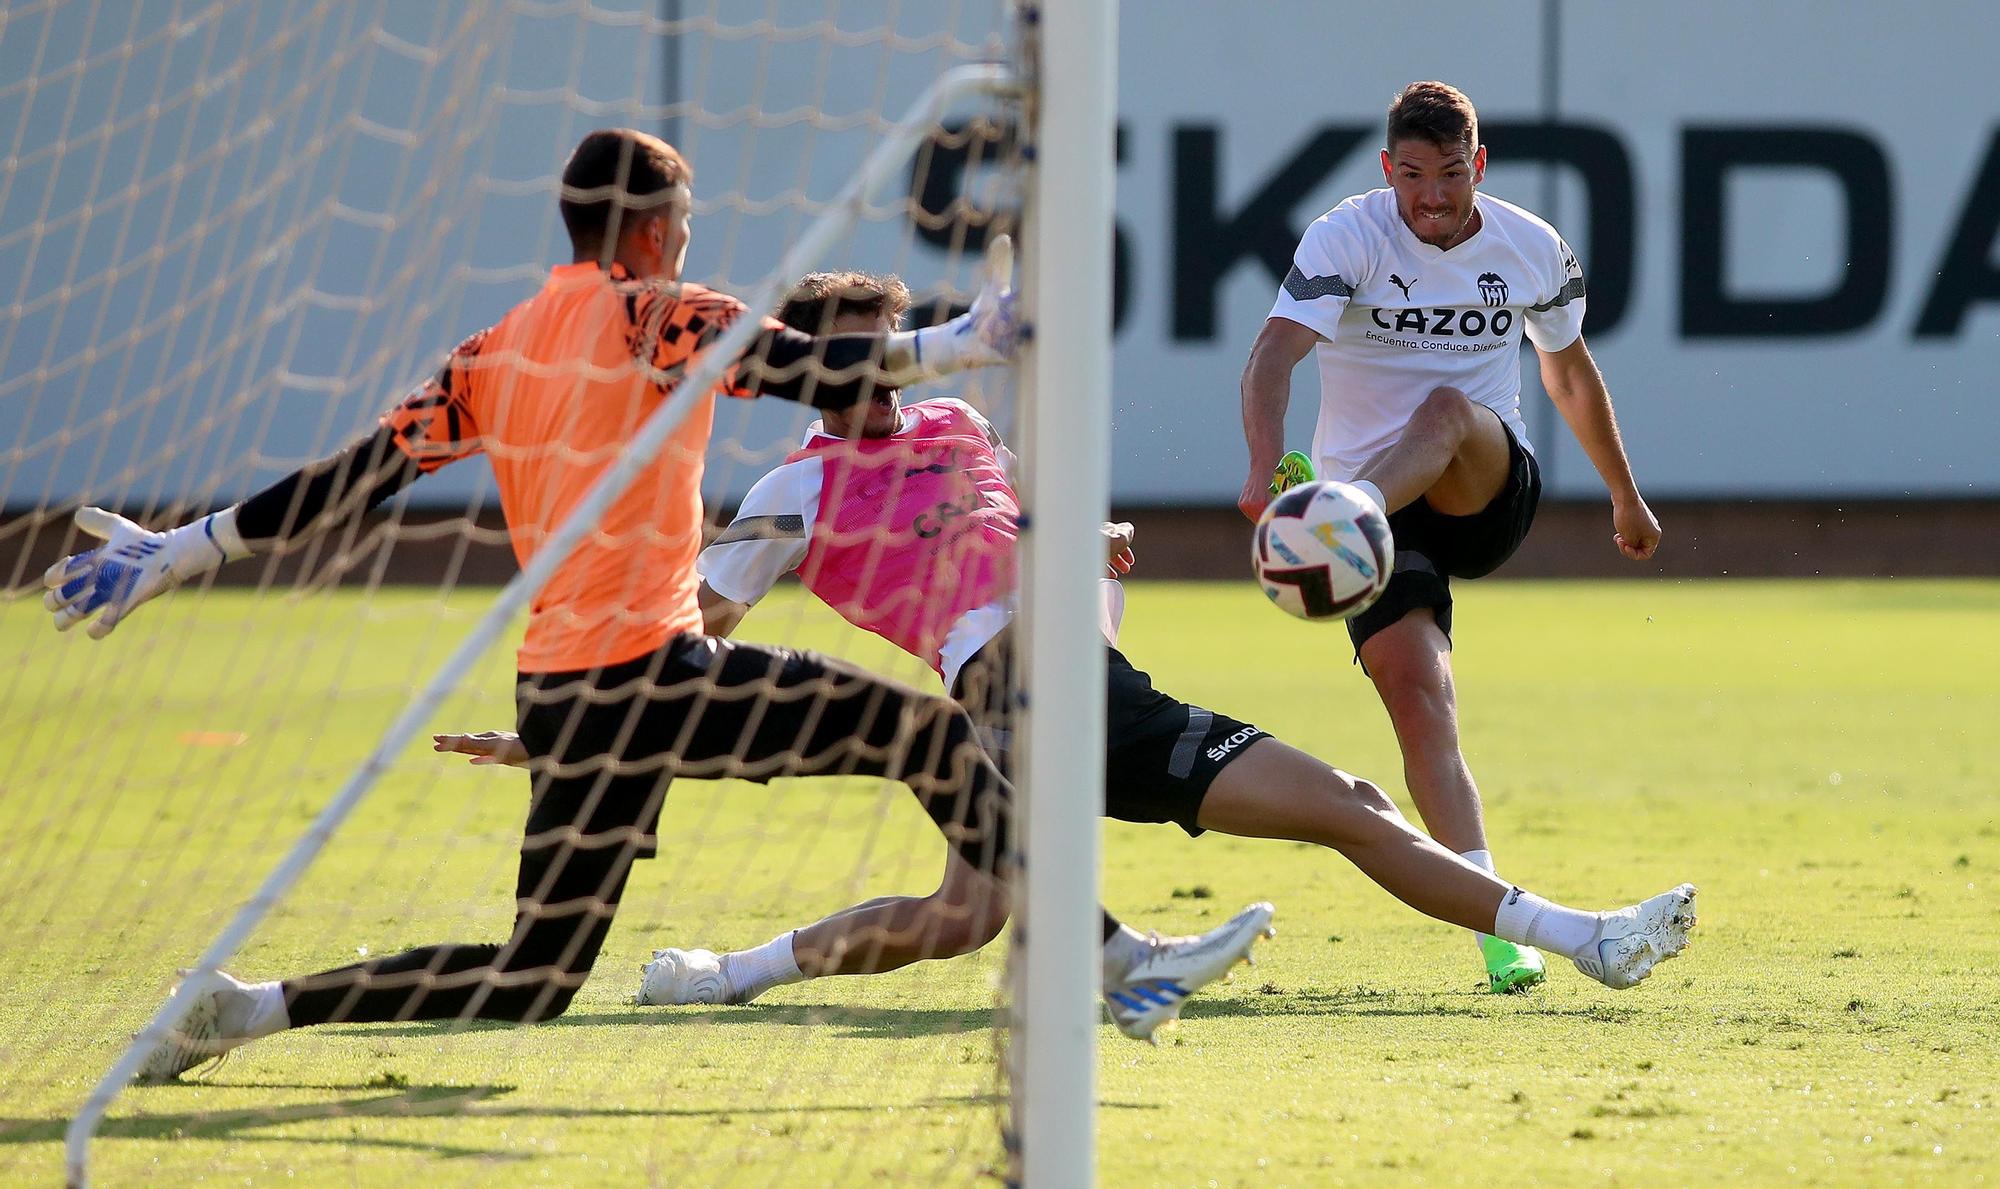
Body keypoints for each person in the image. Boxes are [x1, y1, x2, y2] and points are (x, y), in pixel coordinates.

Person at [39, 129, 1262, 1081]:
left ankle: (248, 1008)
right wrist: (955, 340)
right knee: (929, 736)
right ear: (645, 228)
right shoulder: (651, 312)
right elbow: (801, 367)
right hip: (655, 674)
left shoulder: (493, 350)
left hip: (564, 693)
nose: (686, 243)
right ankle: (1119, 965)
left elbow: (350, 479)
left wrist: (181, 549)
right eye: (680, 225)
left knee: (533, 974)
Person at [438, 270, 1695, 1013]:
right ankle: (1126, 966)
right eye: (851, 367)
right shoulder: (792, 494)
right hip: (994, 708)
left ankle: (725, 973)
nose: (875, 384)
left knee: (985, 906)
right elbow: (686, 635)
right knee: (977, 912)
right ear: (814, 378)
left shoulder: (955, 423)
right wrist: (569, 721)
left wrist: (1082, 546)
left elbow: (1023, 530)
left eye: (881, 361)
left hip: (1092, 687)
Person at [1237, 81, 1665, 993]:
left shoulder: (1531, 246)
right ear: (1388, 169)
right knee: (1418, 698)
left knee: (1444, 406)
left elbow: (1570, 377)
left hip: (1479, 486)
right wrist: (1262, 466)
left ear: (1480, 166)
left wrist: (1625, 497)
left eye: (1451, 175)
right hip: (1376, 529)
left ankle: (1345, 511)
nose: (1433, 196)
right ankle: (1497, 930)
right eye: (1414, 176)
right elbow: (1272, 355)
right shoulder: (1346, 235)